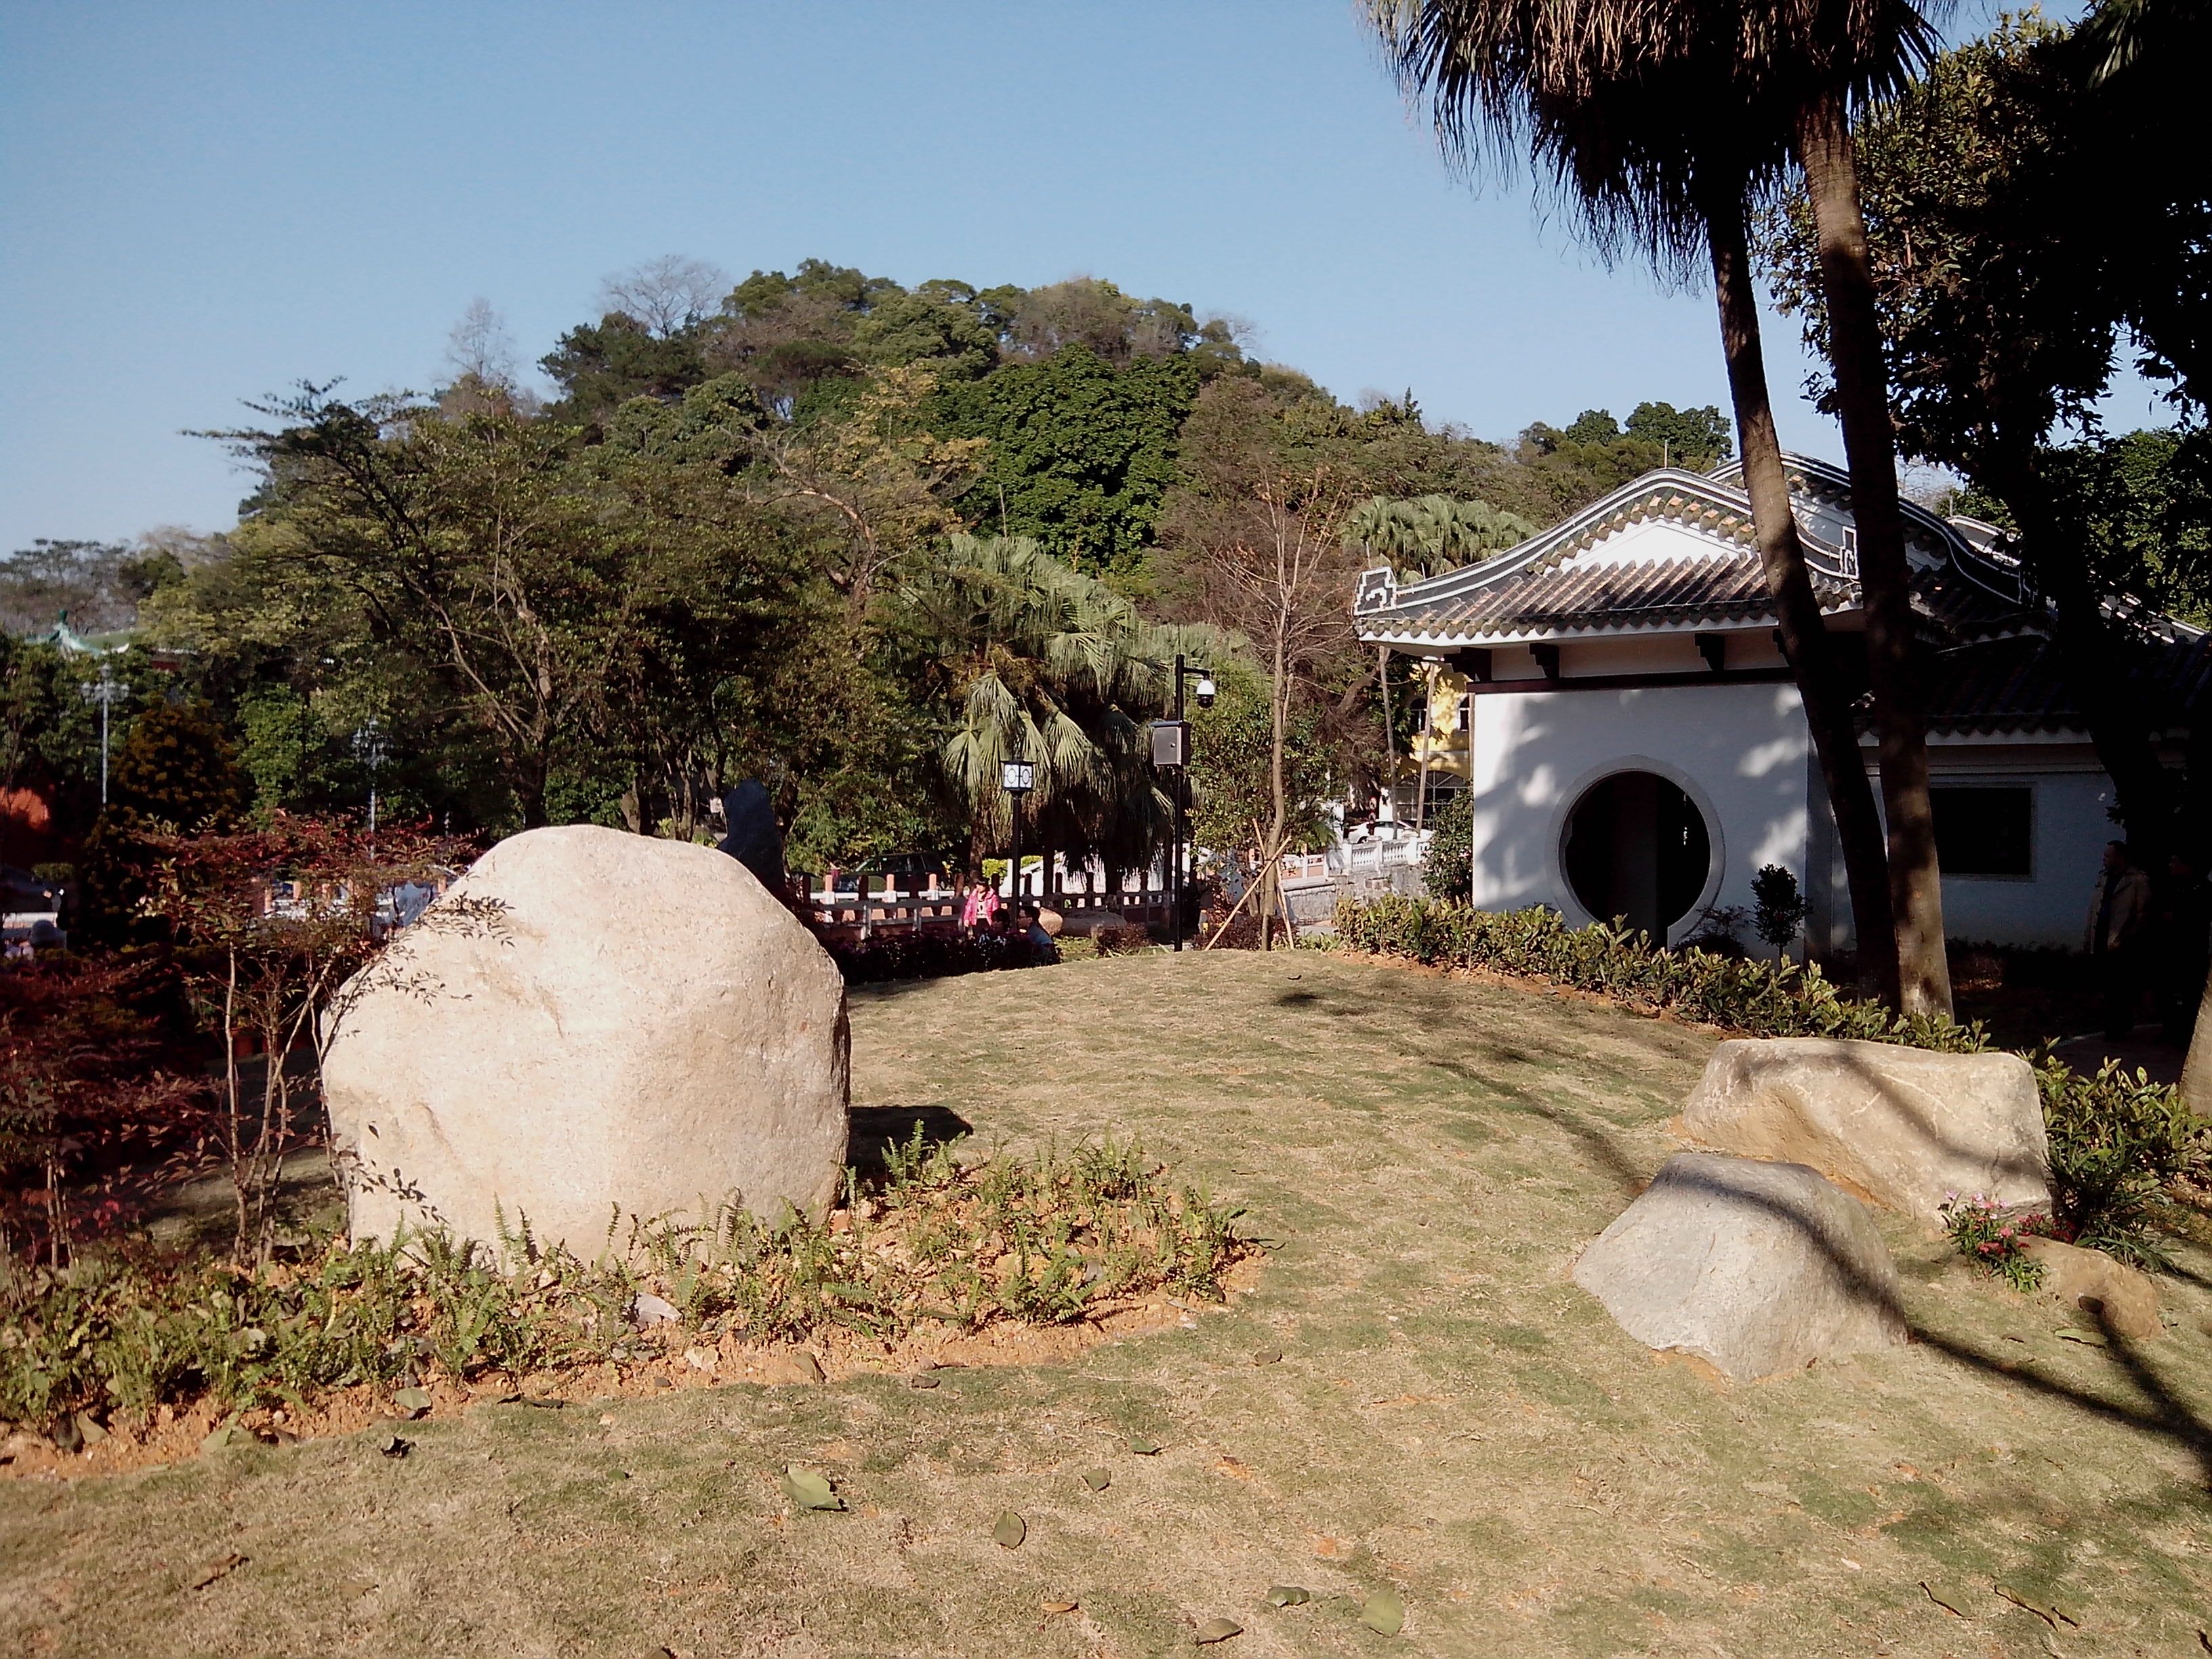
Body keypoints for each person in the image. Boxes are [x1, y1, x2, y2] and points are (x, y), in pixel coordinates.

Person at [2085, 840, 2154, 1042]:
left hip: (2123, 943)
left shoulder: (2137, 880)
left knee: (2121, 988)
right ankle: (2112, 1025)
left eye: (2108, 856)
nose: (2104, 859)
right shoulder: (2104, 878)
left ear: (2120, 857)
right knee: (2107, 986)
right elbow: (2094, 909)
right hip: (2102, 939)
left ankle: (2120, 1026)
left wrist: (2129, 935)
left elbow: (2143, 912)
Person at [2156, 851, 2211, 1044]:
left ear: (2187, 866)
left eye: (2175, 861)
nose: (2170, 865)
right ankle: (2171, 1029)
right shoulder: (2172, 888)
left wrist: (2178, 916)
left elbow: (2199, 919)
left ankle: (2187, 1034)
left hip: (2192, 951)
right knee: (2167, 991)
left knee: (2191, 994)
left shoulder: (2203, 890)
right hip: (2170, 950)